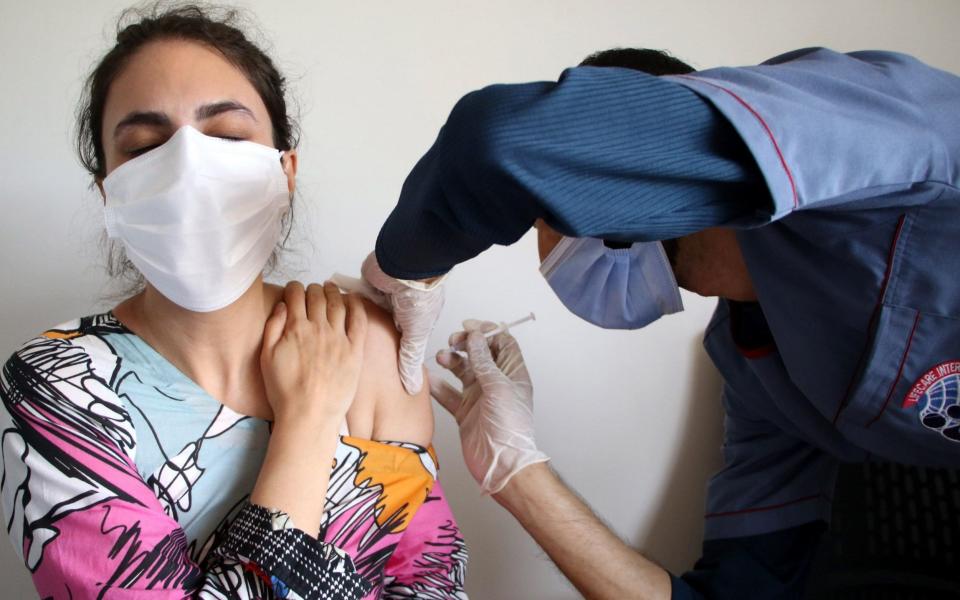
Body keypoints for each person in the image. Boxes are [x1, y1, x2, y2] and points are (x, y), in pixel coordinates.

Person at [359, 46, 960, 598]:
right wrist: (515, 469)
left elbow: (499, 140)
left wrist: (402, 275)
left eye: (550, 214)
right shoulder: (758, 369)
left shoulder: (879, 123)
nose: (546, 250)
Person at [0, 5, 466, 599]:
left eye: (225, 137)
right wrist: (308, 420)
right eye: (144, 147)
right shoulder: (57, 384)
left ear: (284, 171)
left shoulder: (366, 340)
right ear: (107, 193)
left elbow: (429, 580)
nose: (188, 169)